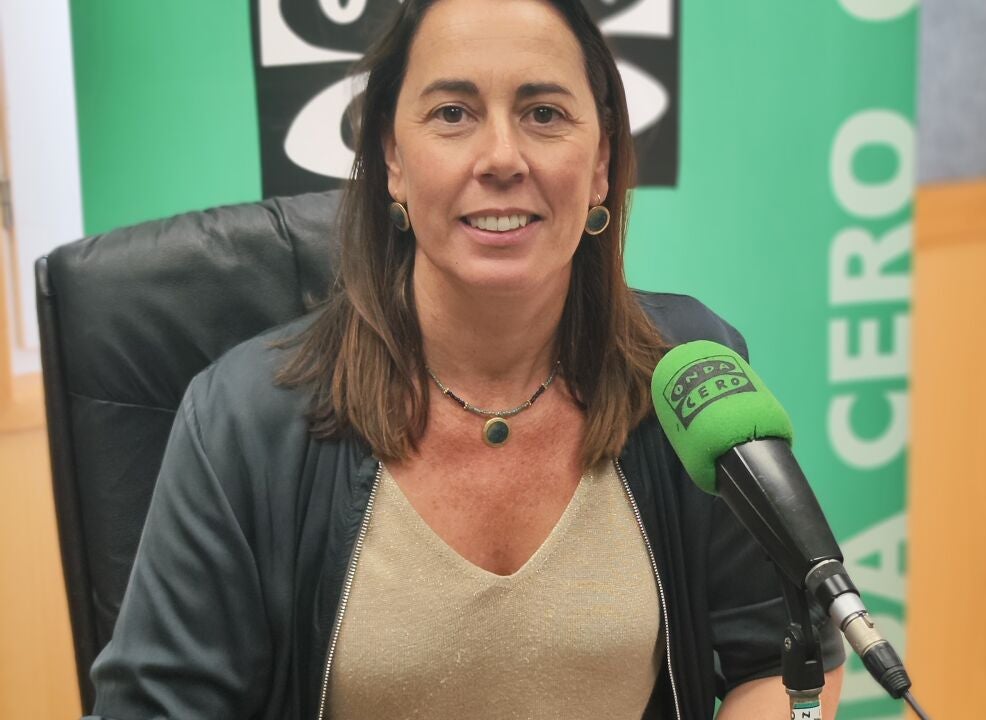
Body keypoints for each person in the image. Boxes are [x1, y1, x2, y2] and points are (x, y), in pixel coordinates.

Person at [85, 0, 844, 718]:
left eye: (544, 114)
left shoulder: (684, 379)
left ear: (602, 162)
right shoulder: (243, 420)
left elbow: (783, 660)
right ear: (392, 158)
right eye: (453, 113)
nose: (502, 158)